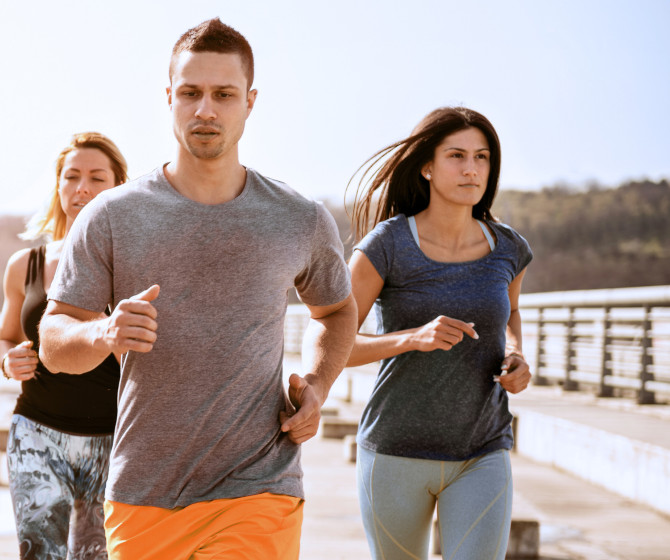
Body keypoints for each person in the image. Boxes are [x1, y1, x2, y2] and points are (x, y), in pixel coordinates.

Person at [38, 19, 357, 560]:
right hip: (144, 492)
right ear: (169, 97)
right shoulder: (111, 216)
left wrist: (319, 384)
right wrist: (103, 333)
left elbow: (337, 312)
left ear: (250, 102)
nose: (205, 110)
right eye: (191, 93)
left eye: (223, 95)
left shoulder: (299, 218)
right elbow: (53, 340)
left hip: (260, 486)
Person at [346, 106, 533, 560]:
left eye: (482, 157)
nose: (472, 169)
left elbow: (510, 313)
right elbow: (337, 346)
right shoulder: (386, 246)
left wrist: (516, 354)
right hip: (395, 451)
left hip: (482, 450)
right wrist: (411, 338)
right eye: (456, 156)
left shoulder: (508, 247)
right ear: (426, 167)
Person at [0, 132, 127, 560]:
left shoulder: (134, 266)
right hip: (36, 433)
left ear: (118, 187)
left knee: (95, 556)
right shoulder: (25, 265)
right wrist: (8, 360)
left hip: (112, 438)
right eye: (71, 176)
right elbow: (5, 339)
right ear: (58, 185)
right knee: (40, 555)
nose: (82, 188)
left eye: (96, 178)